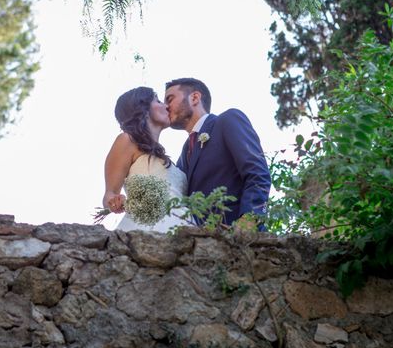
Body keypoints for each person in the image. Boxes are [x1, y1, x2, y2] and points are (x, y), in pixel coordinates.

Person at [164, 78, 271, 230]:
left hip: (241, 236)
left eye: (170, 99)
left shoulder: (228, 120)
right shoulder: (185, 150)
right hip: (201, 244)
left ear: (194, 98)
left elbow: (258, 173)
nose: (165, 107)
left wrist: (250, 219)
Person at [103, 86, 188, 232]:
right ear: (142, 107)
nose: (166, 106)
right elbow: (109, 194)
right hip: (148, 224)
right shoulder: (126, 140)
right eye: (158, 100)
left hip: (182, 223)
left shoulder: (171, 162)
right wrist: (117, 201)